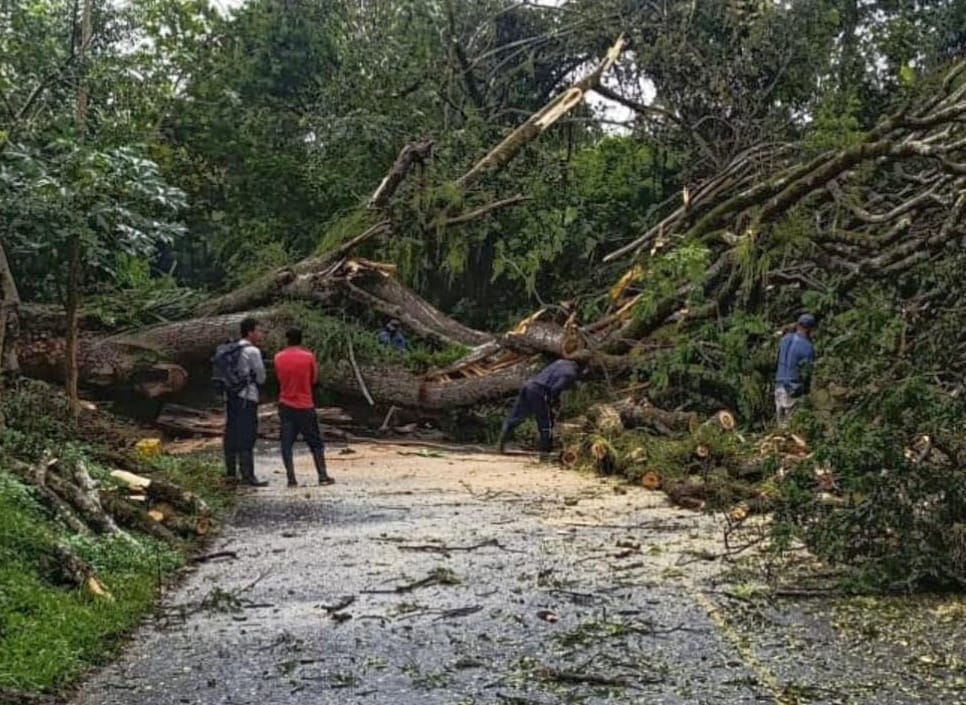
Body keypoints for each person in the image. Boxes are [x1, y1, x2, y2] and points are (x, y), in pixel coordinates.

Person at [497, 350, 591, 456]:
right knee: (546, 420)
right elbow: (556, 388)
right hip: (540, 391)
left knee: (516, 415)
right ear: (583, 364)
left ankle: (501, 443)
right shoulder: (570, 373)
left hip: (529, 385)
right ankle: (545, 451)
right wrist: (553, 401)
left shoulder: (560, 362)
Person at [274, 327, 334, 487]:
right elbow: (314, 379)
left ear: (287, 339)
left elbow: (279, 379)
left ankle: (291, 478)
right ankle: (322, 476)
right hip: (305, 404)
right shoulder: (308, 357)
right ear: (301, 339)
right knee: (315, 442)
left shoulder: (278, 357)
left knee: (286, 443)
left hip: (286, 404)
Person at [222, 317, 268, 486]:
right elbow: (262, 378)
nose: (261, 334)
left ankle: (230, 473)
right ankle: (248, 475)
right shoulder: (252, 351)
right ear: (250, 332)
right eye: (259, 330)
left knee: (231, 432)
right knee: (247, 435)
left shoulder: (230, 349)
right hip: (247, 397)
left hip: (230, 396)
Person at [775, 313, 817, 426]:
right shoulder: (807, 347)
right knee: (792, 430)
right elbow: (807, 373)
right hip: (793, 390)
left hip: (779, 387)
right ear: (810, 329)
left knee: (781, 428)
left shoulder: (785, 340)